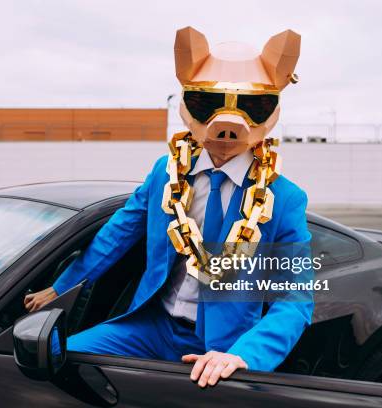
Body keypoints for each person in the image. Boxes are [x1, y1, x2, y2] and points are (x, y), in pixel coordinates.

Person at [25, 26, 314, 388]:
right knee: (51, 358)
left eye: (252, 107)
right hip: (150, 327)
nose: (227, 128)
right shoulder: (166, 174)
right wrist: (61, 286)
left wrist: (246, 355)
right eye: (207, 103)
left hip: (223, 345)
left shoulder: (284, 199)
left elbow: (296, 297)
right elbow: (119, 232)